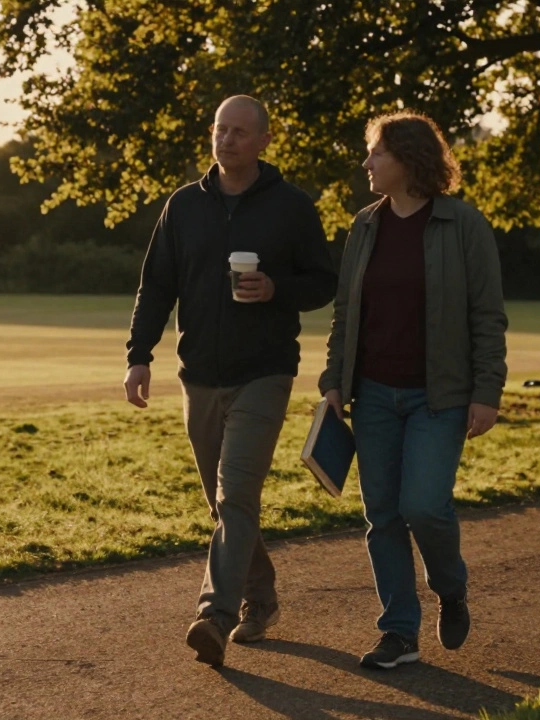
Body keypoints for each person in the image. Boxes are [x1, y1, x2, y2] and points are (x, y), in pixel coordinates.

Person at [123, 95, 338, 668]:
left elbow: (323, 281)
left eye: (241, 132)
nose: (228, 140)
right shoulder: (183, 206)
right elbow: (156, 286)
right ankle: (261, 599)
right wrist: (138, 355)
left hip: (264, 373)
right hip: (198, 377)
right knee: (225, 505)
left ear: (265, 141)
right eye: (221, 129)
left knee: (236, 492)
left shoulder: (292, 207)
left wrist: (276, 289)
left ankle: (215, 615)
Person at [318, 111, 508, 670]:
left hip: (440, 397)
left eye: (377, 152)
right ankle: (399, 633)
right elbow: (346, 313)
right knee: (383, 516)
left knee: (423, 506)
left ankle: (451, 589)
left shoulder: (463, 225)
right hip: (373, 394)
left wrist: (487, 391)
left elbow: (487, 315)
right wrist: (334, 381)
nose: (368, 163)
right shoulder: (364, 226)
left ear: (410, 159)